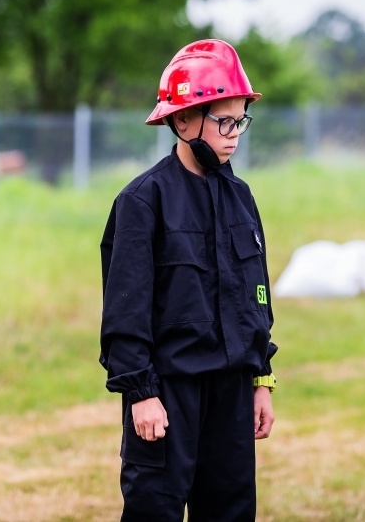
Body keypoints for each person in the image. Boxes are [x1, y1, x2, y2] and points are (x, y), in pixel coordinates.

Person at [99, 39, 279, 521]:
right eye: (224, 121)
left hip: (231, 394)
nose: (235, 134)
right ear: (183, 121)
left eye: (241, 120)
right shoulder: (142, 201)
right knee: (153, 512)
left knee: (230, 512)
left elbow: (256, 298)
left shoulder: (241, 197)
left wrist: (261, 379)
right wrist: (141, 394)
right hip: (167, 394)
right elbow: (125, 312)